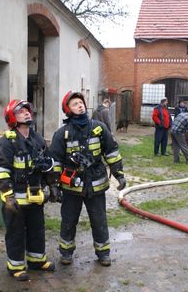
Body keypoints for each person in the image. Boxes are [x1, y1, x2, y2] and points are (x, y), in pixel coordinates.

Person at [49, 91, 126, 267]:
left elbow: (111, 152)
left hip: (96, 185)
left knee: (99, 220)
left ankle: (103, 253)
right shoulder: (62, 134)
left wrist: (118, 174)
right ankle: (66, 253)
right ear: (68, 110)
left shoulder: (98, 128)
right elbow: (55, 161)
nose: (80, 105)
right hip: (71, 188)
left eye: (81, 102)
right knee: (68, 221)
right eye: (75, 104)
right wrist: (53, 185)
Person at [0, 99, 59, 281]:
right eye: (21, 112)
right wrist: (8, 196)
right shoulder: (6, 143)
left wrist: (52, 186)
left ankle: (36, 261)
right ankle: (16, 266)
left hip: (35, 198)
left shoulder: (37, 139)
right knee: (16, 233)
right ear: (12, 117)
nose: (27, 113)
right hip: (15, 201)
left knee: (37, 230)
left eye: (28, 111)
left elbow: (48, 164)